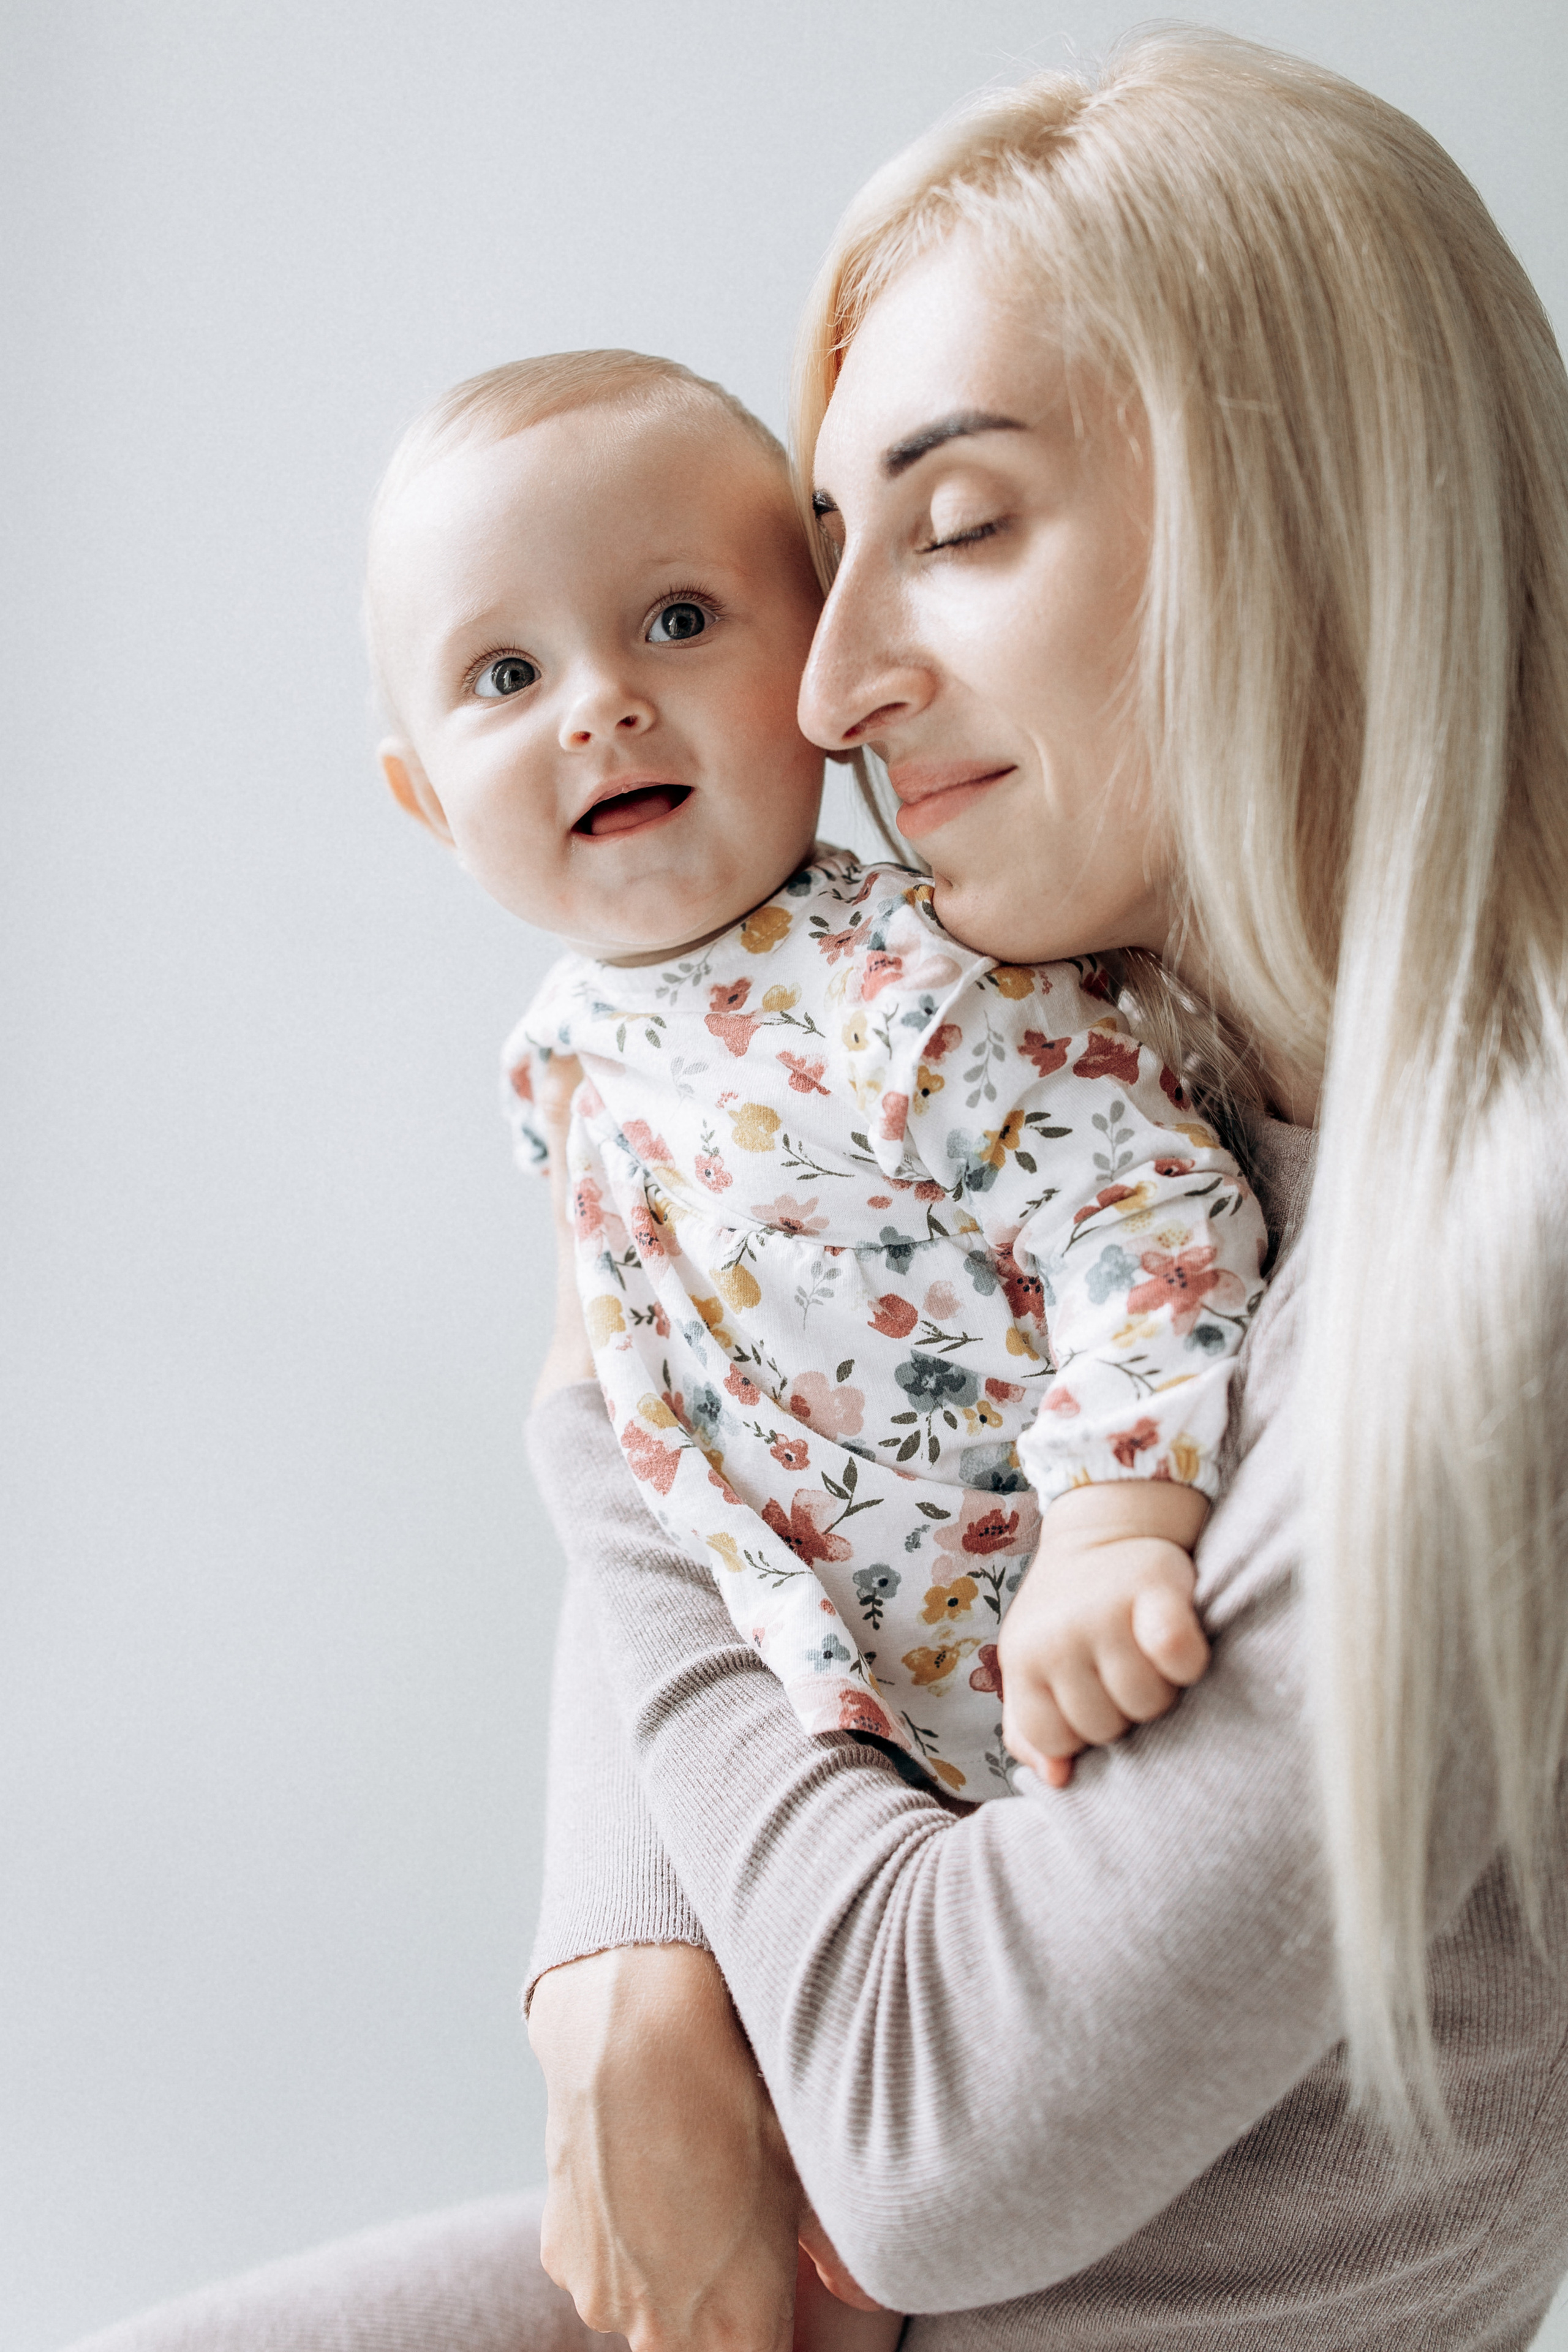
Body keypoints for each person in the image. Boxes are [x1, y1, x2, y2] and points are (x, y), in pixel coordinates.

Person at [64, 28, 1568, 2352]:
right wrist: (625, 1967)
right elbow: (773, 1434)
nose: (837, 685)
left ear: (1309, 515)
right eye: (828, 553)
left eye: (956, 528)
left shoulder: (1494, 1266)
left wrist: (592, 1420)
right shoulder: (1059, 1031)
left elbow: (929, 2134)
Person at [366, 346, 1264, 1804]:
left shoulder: (908, 986)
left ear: (817, 651)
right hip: (815, 1740)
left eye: (676, 619)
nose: (598, 705)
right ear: (427, 802)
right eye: (507, 674)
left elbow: (1152, 1213)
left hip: (1068, 1691)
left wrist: (1112, 1525)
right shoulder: (555, 1060)